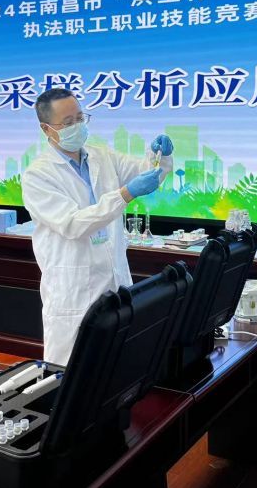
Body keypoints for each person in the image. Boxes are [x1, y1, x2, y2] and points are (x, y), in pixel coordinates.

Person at [21, 88, 174, 365]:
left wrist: (159, 157)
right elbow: (73, 223)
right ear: (46, 129)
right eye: (68, 122)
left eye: (80, 118)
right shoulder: (38, 175)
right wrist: (125, 194)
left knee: (119, 367)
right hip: (74, 292)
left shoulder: (101, 157)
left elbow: (147, 173)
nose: (77, 126)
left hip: (115, 283)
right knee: (70, 372)